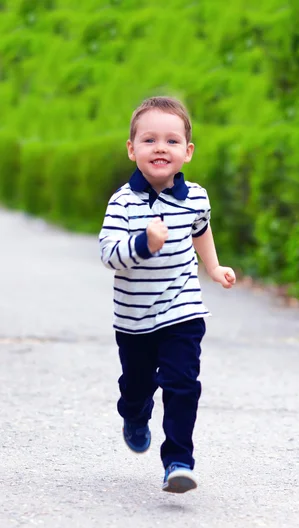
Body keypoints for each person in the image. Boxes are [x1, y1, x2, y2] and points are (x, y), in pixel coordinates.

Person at [99, 96, 236, 493]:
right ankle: (135, 412)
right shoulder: (122, 203)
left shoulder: (197, 196)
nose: (161, 148)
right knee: (137, 384)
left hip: (182, 310)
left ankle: (178, 459)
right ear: (132, 149)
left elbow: (201, 230)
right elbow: (109, 255)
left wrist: (213, 267)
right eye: (149, 140)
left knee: (183, 383)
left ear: (187, 152)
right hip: (134, 320)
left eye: (172, 141)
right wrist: (144, 243)